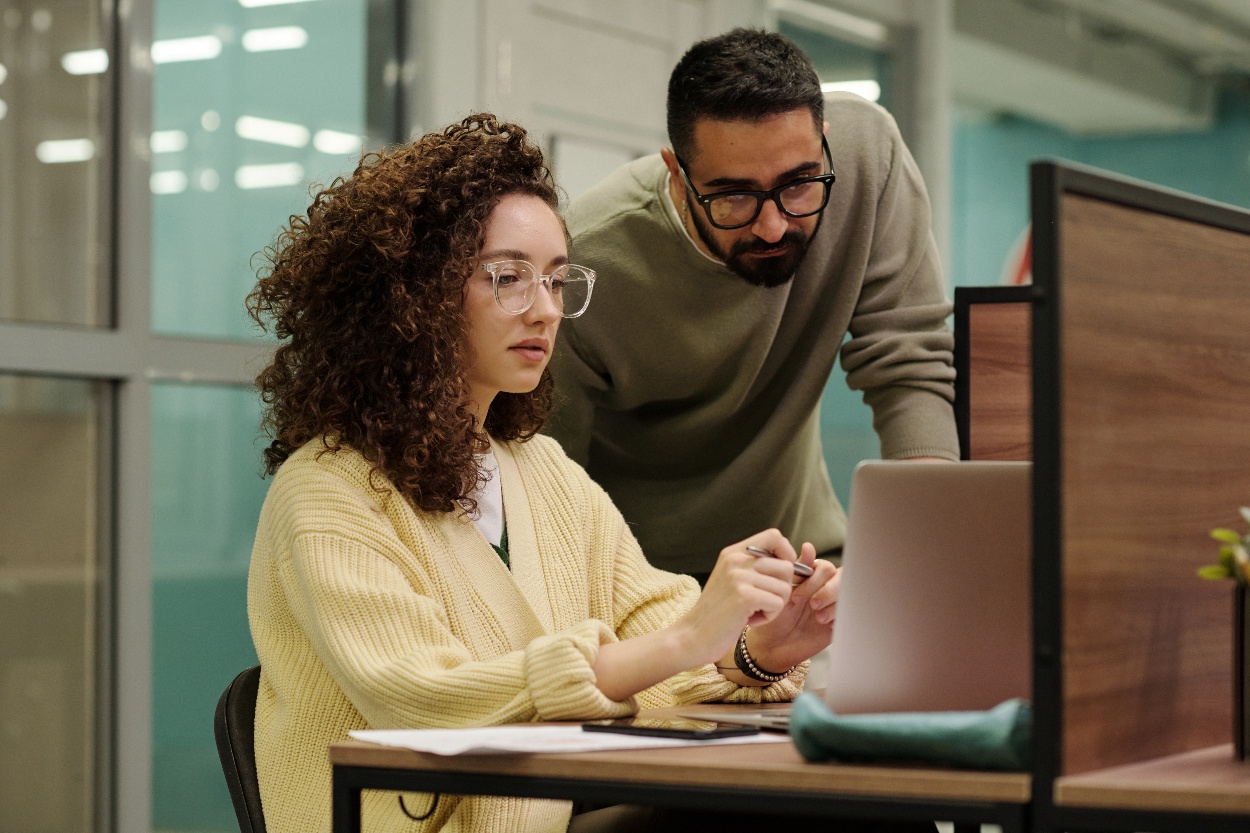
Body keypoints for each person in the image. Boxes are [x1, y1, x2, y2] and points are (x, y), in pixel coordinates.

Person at [244, 114, 856, 833]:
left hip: (546, 821)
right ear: (414, 295)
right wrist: (690, 639)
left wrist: (755, 647)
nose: (545, 309)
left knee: (849, 812)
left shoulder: (542, 471)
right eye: (508, 278)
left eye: (560, 281)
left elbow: (654, 641)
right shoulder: (326, 490)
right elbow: (426, 700)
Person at [546, 29, 959, 582]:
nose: (773, 225)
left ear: (824, 144)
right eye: (734, 196)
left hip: (802, 567)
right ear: (677, 172)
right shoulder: (584, 268)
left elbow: (909, 361)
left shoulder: (867, 154)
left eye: (798, 184)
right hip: (648, 594)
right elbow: (542, 484)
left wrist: (930, 562)